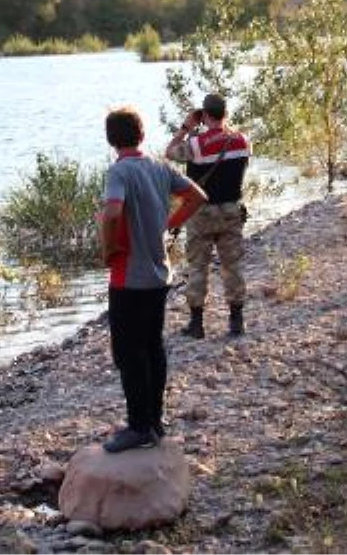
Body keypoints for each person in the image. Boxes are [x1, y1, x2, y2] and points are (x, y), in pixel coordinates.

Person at [98, 106, 206, 453]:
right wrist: (170, 223)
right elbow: (198, 197)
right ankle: (155, 421)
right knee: (153, 347)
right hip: (160, 275)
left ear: (111, 140)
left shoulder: (119, 172)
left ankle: (138, 426)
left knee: (129, 354)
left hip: (128, 278)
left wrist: (107, 242)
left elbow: (113, 210)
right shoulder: (160, 168)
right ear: (141, 135)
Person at [165, 93, 251, 339]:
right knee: (232, 265)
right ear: (226, 113)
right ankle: (236, 322)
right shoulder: (242, 140)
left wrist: (185, 127)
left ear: (204, 115)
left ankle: (197, 324)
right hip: (232, 212)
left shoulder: (196, 144)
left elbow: (169, 152)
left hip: (201, 214)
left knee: (198, 266)